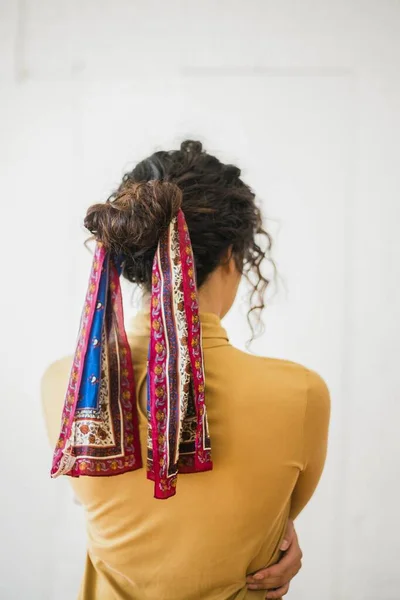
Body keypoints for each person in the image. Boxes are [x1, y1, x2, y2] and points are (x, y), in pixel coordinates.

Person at [42, 140, 330, 600]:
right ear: (233, 258)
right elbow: (272, 515)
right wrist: (274, 533)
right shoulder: (301, 395)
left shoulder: (62, 385)